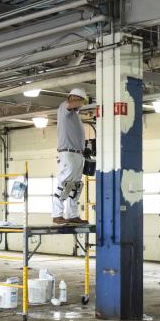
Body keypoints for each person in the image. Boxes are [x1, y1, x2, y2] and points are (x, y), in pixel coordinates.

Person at [53, 87, 89, 225]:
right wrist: (83, 101)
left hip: (78, 154)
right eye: (78, 99)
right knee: (64, 183)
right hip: (67, 153)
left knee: (76, 185)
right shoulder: (64, 108)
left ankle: (73, 214)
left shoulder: (75, 116)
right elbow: (72, 104)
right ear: (71, 98)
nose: (80, 103)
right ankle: (57, 214)